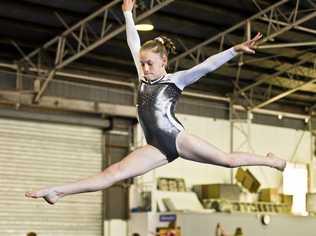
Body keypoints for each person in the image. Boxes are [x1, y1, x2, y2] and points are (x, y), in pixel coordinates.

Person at [25, 0, 286, 205]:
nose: (145, 67)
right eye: (142, 63)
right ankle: (57, 192)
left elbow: (206, 66)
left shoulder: (176, 80)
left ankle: (272, 161)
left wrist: (234, 50)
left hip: (177, 138)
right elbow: (133, 42)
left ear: (164, 62)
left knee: (227, 161)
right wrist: (128, 14)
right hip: (155, 146)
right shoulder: (142, 77)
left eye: (150, 63)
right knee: (113, 173)